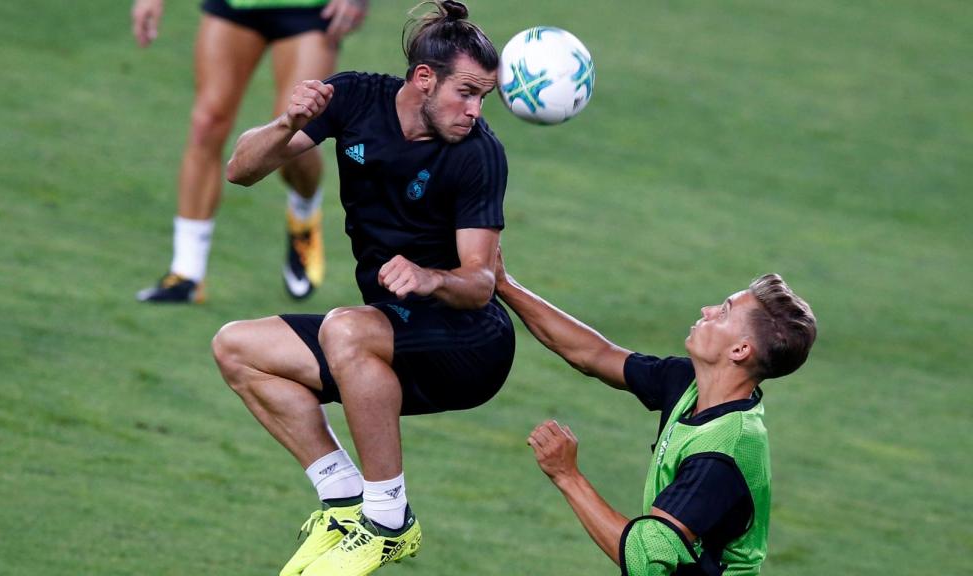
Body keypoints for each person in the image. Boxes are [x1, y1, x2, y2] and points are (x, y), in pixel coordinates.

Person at [211, 2, 512, 574]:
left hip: (469, 345)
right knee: (237, 347)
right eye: (466, 93)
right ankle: (346, 501)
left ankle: (389, 520)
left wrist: (431, 277)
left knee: (345, 328)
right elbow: (240, 170)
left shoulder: (479, 156)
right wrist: (288, 124)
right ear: (424, 78)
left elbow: (481, 281)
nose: (474, 111)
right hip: (382, 333)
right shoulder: (353, 99)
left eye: (483, 98)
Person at [495, 254, 817, 575]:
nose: (706, 311)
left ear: (740, 350)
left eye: (722, 313)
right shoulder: (689, 383)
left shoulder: (722, 455)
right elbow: (593, 354)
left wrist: (567, 475)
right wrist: (505, 285)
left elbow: (643, 560)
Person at [131, 0, 369, 303]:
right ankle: (186, 272)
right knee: (206, 123)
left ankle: (304, 213)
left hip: (310, 9)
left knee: (298, 132)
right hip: (235, 6)